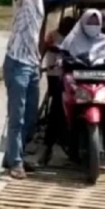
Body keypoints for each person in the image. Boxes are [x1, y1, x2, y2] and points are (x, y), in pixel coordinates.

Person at [60, 9, 105, 171]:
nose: (92, 25)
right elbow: (63, 55)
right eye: (89, 22)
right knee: (58, 109)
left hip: (101, 80)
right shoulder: (72, 39)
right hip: (77, 82)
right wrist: (62, 62)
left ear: (100, 24)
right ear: (82, 22)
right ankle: (48, 148)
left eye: (96, 22)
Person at [3, 0, 51, 179]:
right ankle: (16, 163)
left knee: (31, 117)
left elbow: (37, 34)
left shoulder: (40, 2)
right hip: (16, 63)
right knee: (17, 117)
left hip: (32, 64)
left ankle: (13, 156)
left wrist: (39, 60)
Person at [40, 16, 76, 165]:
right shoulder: (53, 35)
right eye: (64, 24)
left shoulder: (76, 37)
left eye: (68, 25)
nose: (65, 27)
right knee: (57, 105)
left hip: (71, 75)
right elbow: (46, 47)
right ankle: (50, 143)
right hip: (54, 73)